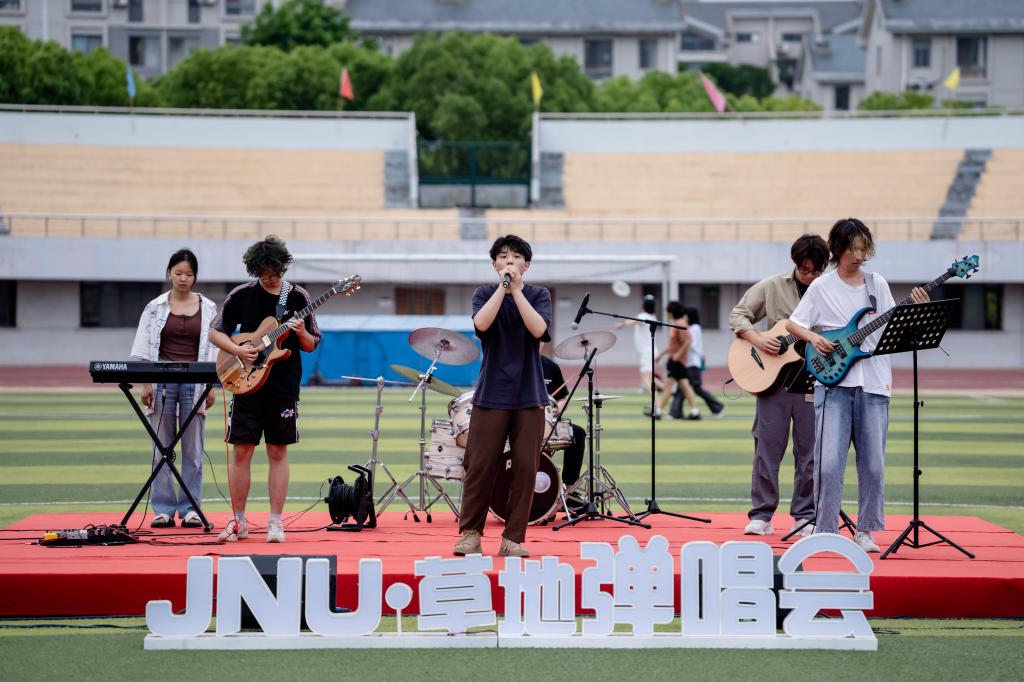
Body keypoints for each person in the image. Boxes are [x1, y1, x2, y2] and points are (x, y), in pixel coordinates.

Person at [786, 219, 928, 552]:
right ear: (838, 249)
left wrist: (917, 311)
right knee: (828, 464)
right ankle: (825, 529)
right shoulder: (821, 286)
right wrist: (814, 339)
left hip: (874, 383)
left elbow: (895, 330)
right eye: (853, 249)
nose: (860, 256)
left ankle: (866, 531)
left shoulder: (877, 284)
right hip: (833, 384)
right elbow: (794, 323)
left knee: (874, 465)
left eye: (864, 249)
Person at [209, 235, 321, 544]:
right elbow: (215, 333)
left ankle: (275, 522)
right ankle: (238, 521)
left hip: (283, 386)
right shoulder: (242, 294)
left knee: (277, 450)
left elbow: (311, 345)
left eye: (275, 272)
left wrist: (301, 332)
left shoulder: (298, 296)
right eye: (264, 272)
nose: (270, 277)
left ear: (283, 267)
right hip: (245, 383)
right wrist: (238, 349)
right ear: (255, 270)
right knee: (241, 451)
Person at [454, 235, 552, 558]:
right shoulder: (484, 294)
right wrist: (503, 288)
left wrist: (517, 291)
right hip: (491, 392)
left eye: (516, 256)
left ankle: (513, 538)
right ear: (494, 264)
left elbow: (539, 330)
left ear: (527, 264)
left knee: (525, 468)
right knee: (480, 465)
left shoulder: (538, 295)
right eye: (503, 256)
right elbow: (481, 324)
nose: (510, 261)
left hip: (529, 394)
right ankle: (471, 534)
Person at [729, 234, 829, 537]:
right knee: (767, 449)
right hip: (773, 382)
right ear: (794, 263)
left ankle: (804, 516)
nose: (810, 276)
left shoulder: (831, 290)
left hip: (814, 378)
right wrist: (759, 340)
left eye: (816, 271)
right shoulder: (772, 286)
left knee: (810, 453)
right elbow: (738, 315)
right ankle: (761, 515)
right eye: (804, 270)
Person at [130, 249, 219, 529]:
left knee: (193, 450)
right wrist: (145, 383)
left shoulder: (209, 308)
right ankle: (164, 509)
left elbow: (216, 347)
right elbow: (143, 345)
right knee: (162, 448)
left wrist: (212, 385)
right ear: (169, 273)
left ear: (195, 277)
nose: (183, 278)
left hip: (196, 382)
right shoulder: (154, 306)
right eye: (178, 273)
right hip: (161, 381)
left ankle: (191, 508)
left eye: (189, 274)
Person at [540, 352, 587, 513]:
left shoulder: (550, 366)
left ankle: (569, 492)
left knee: (577, 433)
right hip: (522, 423)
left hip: (550, 422)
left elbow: (562, 397)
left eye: (541, 341)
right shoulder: (515, 363)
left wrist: (558, 408)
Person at [614, 294, 664, 412]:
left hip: (647, 352)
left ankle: (657, 405)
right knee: (649, 378)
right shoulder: (652, 316)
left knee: (646, 379)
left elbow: (632, 322)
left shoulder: (643, 316)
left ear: (644, 305)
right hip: (651, 351)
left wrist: (622, 325)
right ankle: (670, 390)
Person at [680, 305, 725, 419]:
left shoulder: (694, 328)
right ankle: (675, 411)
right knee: (684, 387)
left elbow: (692, 344)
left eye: (685, 314)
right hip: (691, 361)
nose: (684, 317)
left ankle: (718, 406)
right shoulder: (694, 327)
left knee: (695, 388)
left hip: (693, 362)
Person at [656, 301, 698, 419]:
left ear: (671, 312)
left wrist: (678, 355)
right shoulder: (676, 324)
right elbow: (672, 345)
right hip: (676, 360)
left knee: (668, 386)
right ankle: (695, 412)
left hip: (677, 361)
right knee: (685, 386)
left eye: (667, 311)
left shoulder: (680, 323)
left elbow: (688, 340)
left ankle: (658, 411)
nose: (666, 314)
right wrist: (661, 355)